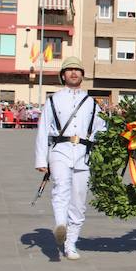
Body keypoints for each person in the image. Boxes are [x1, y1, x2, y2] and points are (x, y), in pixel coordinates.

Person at [34, 57, 106, 260]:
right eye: (69, 70)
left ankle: (71, 243)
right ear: (63, 75)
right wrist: (41, 159)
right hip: (60, 149)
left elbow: (102, 129)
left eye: (77, 70)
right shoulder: (53, 99)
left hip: (84, 153)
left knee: (79, 199)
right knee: (60, 186)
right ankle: (60, 224)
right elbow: (43, 129)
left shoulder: (92, 103)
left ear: (82, 75)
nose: (74, 73)